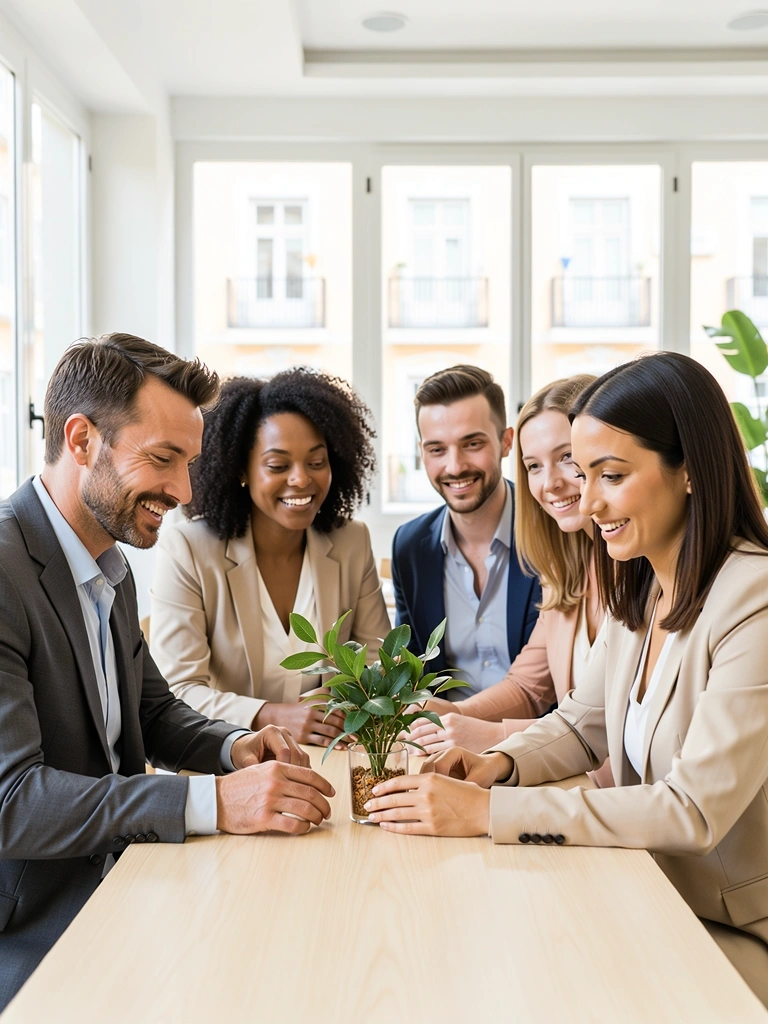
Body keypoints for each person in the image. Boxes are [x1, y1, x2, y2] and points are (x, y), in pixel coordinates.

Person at [365, 352, 768, 1005]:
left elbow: (691, 811)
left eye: (610, 475)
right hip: (638, 891)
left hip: (721, 925)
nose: (587, 498)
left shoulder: (754, 599)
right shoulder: (644, 584)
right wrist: (491, 764)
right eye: (586, 474)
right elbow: (583, 725)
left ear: (689, 469)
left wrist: (490, 812)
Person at [0, 335, 335, 1009]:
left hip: (128, 883)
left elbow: (152, 713)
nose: (184, 491)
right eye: (163, 460)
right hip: (42, 937)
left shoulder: (106, 562)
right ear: (82, 439)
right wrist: (212, 802)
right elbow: (13, 804)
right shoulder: (6, 570)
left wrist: (232, 747)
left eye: (190, 462)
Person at [150, 370, 391, 746]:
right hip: (226, 760)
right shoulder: (189, 549)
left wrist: (337, 704)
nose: (301, 479)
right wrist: (270, 716)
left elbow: (379, 664)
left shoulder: (351, 542)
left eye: (317, 461)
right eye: (278, 466)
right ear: (242, 470)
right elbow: (177, 691)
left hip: (329, 756)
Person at [407, 375, 613, 790]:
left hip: (601, 798)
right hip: (573, 789)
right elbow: (527, 685)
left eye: (568, 458)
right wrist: (450, 715)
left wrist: (492, 738)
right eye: (534, 465)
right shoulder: (569, 568)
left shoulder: (643, 572)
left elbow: (600, 730)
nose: (550, 482)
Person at [391, 365, 541, 699]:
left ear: (506, 442)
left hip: (533, 744)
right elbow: (413, 671)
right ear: (422, 453)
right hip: (442, 745)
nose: (455, 466)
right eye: (437, 449)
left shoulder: (551, 531)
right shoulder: (410, 547)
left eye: (471, 443)